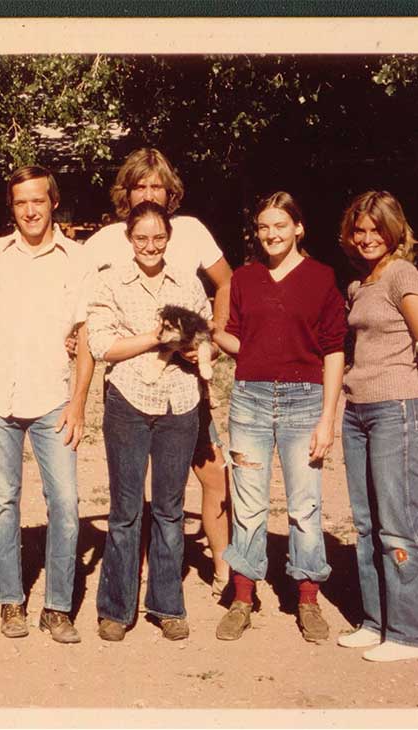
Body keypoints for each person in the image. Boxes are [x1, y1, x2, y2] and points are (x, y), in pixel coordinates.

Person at [84, 148, 233, 598]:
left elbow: (225, 281)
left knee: (212, 474)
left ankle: (225, 570)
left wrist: (213, 337)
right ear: (125, 192)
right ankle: (141, 570)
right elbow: (79, 294)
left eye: (157, 186)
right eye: (139, 186)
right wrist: (76, 335)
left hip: (187, 382)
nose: (148, 193)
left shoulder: (190, 231)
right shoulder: (108, 240)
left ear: (171, 191)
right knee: (134, 488)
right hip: (132, 382)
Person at [212, 191, 346, 643]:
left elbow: (333, 351)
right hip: (249, 399)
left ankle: (307, 597)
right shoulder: (246, 279)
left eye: (281, 226)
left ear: (298, 228)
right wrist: (217, 343)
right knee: (248, 505)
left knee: (304, 505)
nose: (272, 234)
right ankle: (243, 596)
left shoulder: (322, 278)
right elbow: (231, 337)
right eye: (264, 227)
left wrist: (327, 419)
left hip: (304, 401)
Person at [0, 165, 93, 643]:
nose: (30, 210)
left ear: (53, 203)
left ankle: (58, 607)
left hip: (53, 398)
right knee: (3, 502)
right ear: (12, 206)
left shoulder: (78, 258)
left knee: (65, 503)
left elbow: (86, 334)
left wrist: (80, 404)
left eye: (39, 200)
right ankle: (10, 601)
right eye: (21, 201)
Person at [87, 200, 211, 642]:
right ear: (129, 239)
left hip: (180, 403)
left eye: (158, 237)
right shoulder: (111, 282)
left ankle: (167, 604)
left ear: (169, 239)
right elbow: (102, 345)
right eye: (142, 238)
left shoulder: (189, 284)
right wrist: (156, 339)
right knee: (124, 511)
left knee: (169, 509)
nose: (150, 246)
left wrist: (195, 350)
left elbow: (204, 333)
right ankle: (116, 609)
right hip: (128, 401)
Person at [337, 191, 418, 662]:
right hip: (356, 408)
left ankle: (406, 632)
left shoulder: (403, 274)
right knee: (365, 523)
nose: (367, 238)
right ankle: (374, 620)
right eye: (360, 230)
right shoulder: (360, 284)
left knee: (397, 524)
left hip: (395, 407)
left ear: (393, 231)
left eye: (376, 230)